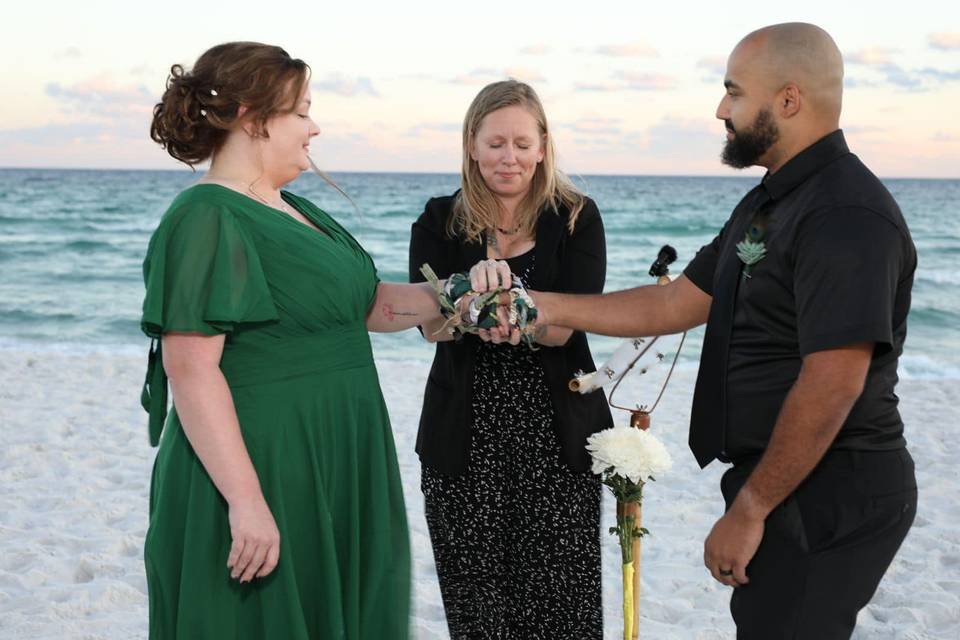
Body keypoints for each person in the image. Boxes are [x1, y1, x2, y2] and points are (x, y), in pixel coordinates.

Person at [526, 23, 917, 639]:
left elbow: (834, 381)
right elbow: (676, 303)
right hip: (789, 481)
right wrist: (540, 305)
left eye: (733, 93)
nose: (720, 110)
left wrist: (753, 508)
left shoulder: (843, 214)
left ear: (788, 100)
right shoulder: (771, 203)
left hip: (830, 485)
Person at [140, 42, 462, 639]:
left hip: (340, 451)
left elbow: (363, 308)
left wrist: (457, 295)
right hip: (265, 464)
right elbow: (191, 370)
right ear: (251, 117)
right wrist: (246, 501)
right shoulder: (206, 216)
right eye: (301, 111)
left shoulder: (292, 209)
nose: (315, 127)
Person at [408, 80, 612, 639]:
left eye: (523, 143)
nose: (509, 157)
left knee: (562, 609)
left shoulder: (576, 217)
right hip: (463, 439)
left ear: (543, 145)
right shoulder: (438, 220)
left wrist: (515, 314)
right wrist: (464, 302)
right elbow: (430, 326)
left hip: (557, 436)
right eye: (495, 143)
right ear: (472, 145)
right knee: (479, 613)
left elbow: (570, 324)